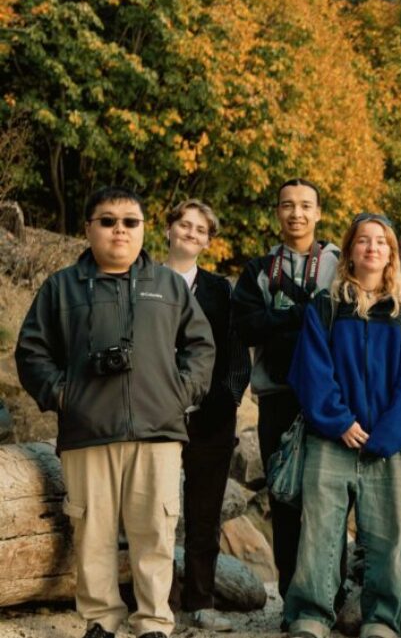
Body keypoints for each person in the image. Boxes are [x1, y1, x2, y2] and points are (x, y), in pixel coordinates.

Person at [16, 186, 215, 638]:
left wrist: (179, 393)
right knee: (92, 534)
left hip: (158, 431)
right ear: (88, 229)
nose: (119, 230)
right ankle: (101, 621)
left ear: (145, 229)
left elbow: (201, 347)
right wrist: (62, 396)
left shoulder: (168, 285)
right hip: (88, 432)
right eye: (107, 221)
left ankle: (153, 623)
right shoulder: (62, 287)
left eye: (130, 222)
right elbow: (31, 352)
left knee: (155, 534)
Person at [282, 213, 401, 638]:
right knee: (320, 534)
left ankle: (380, 618)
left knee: (386, 539)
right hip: (331, 440)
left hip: (389, 446)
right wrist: (340, 421)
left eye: (381, 242)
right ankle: (310, 614)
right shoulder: (325, 307)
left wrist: (385, 435)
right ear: (349, 251)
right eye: (363, 241)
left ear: (391, 254)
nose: (372, 248)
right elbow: (312, 370)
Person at [232, 178, 342, 598]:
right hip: (277, 395)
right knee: (283, 494)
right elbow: (246, 325)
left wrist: (282, 317)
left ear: (318, 213)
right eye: (287, 205)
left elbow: (341, 324)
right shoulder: (259, 269)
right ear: (277, 212)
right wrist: (305, 315)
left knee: (329, 497)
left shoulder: (339, 261)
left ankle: (331, 591)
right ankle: (293, 597)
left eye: (305, 206)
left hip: (331, 396)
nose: (296, 214)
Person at [163, 200, 252, 633]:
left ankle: (200, 601)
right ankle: (157, 601)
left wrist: (226, 400)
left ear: (208, 240)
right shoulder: (146, 280)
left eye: (201, 230)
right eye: (185, 225)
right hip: (155, 415)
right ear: (169, 229)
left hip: (211, 416)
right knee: (154, 513)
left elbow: (236, 354)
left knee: (204, 513)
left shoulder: (220, 289)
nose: (192, 234)